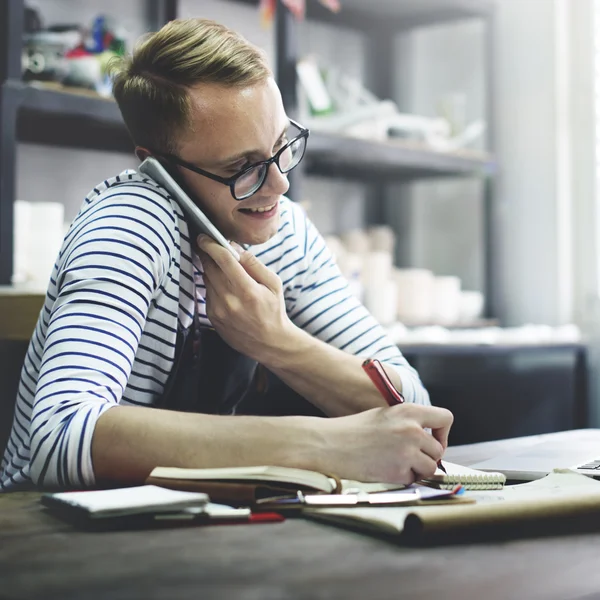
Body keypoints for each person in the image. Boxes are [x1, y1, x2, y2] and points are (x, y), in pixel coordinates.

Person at [0, 18, 453, 492]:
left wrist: (277, 341)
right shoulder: (129, 222)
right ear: (158, 167)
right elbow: (59, 438)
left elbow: (415, 408)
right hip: (49, 534)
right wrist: (320, 444)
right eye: (242, 167)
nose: (280, 184)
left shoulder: (285, 233)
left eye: (282, 147)